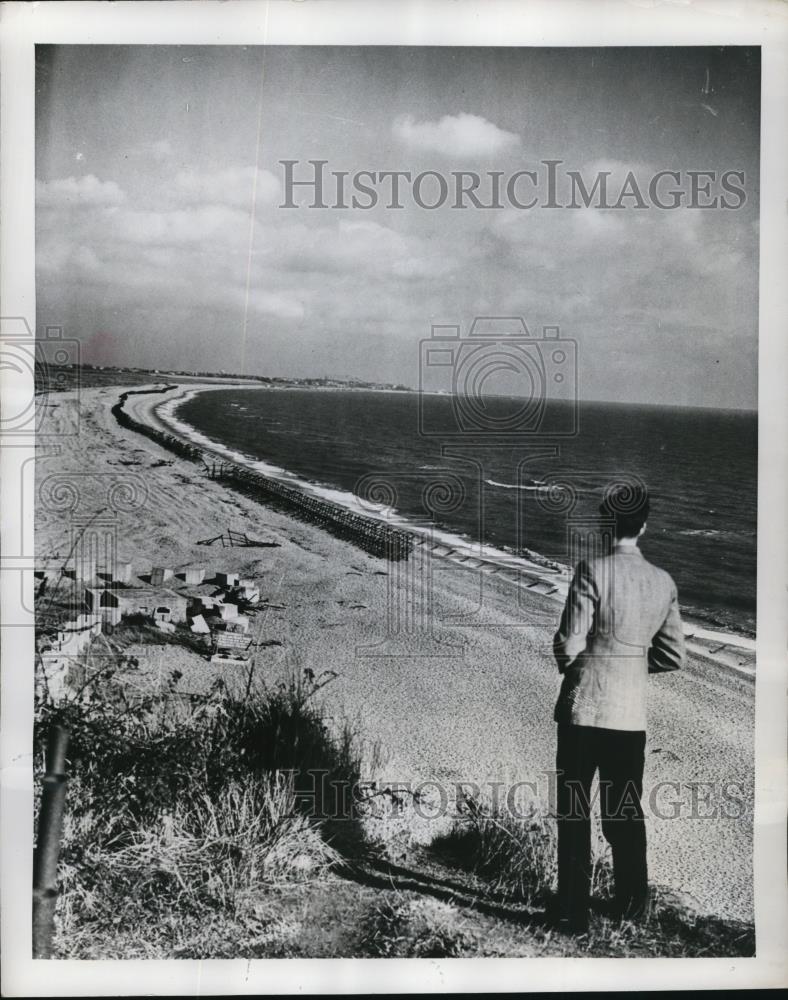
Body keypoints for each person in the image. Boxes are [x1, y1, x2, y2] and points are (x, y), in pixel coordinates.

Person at [552, 483, 685, 934]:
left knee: (574, 812)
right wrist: (629, 665)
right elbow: (672, 656)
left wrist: (583, 663)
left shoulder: (593, 569)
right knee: (625, 813)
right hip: (630, 717)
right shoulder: (663, 582)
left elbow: (569, 643)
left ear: (607, 524)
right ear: (644, 525)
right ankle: (631, 909)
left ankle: (572, 912)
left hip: (585, 710)